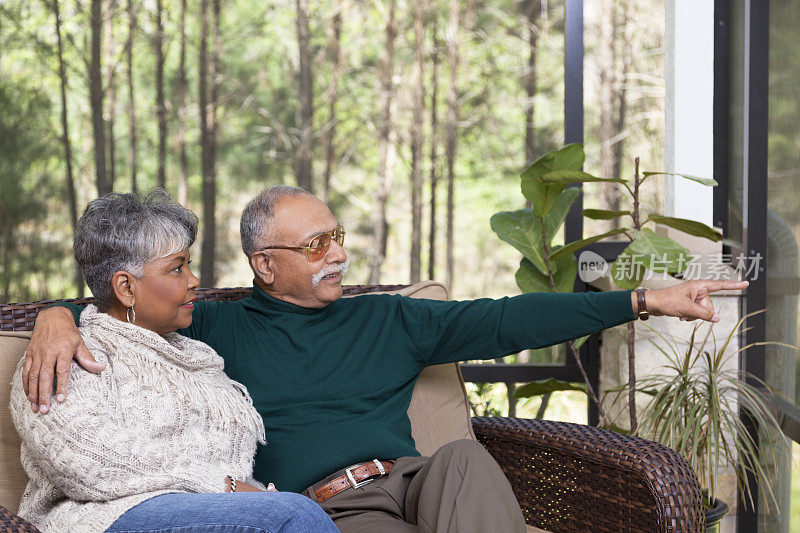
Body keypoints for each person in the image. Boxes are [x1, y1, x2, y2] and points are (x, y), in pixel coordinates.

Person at [23, 185, 748, 532]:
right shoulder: (213, 331)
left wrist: (644, 301)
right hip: (338, 507)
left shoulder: (389, 317)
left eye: (336, 235)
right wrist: (57, 315)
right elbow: (127, 299)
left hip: (421, 481)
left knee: (463, 460)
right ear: (263, 265)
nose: (337, 252)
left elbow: (504, 318)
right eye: (314, 245)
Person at [9, 191, 338, 533]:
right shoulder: (66, 356)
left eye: (189, 265)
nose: (194, 280)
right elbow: (88, 462)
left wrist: (248, 493)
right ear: (126, 288)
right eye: (177, 268)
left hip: (202, 513)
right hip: (100, 521)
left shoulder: (195, 357)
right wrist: (223, 487)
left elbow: (227, 470)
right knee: (289, 516)